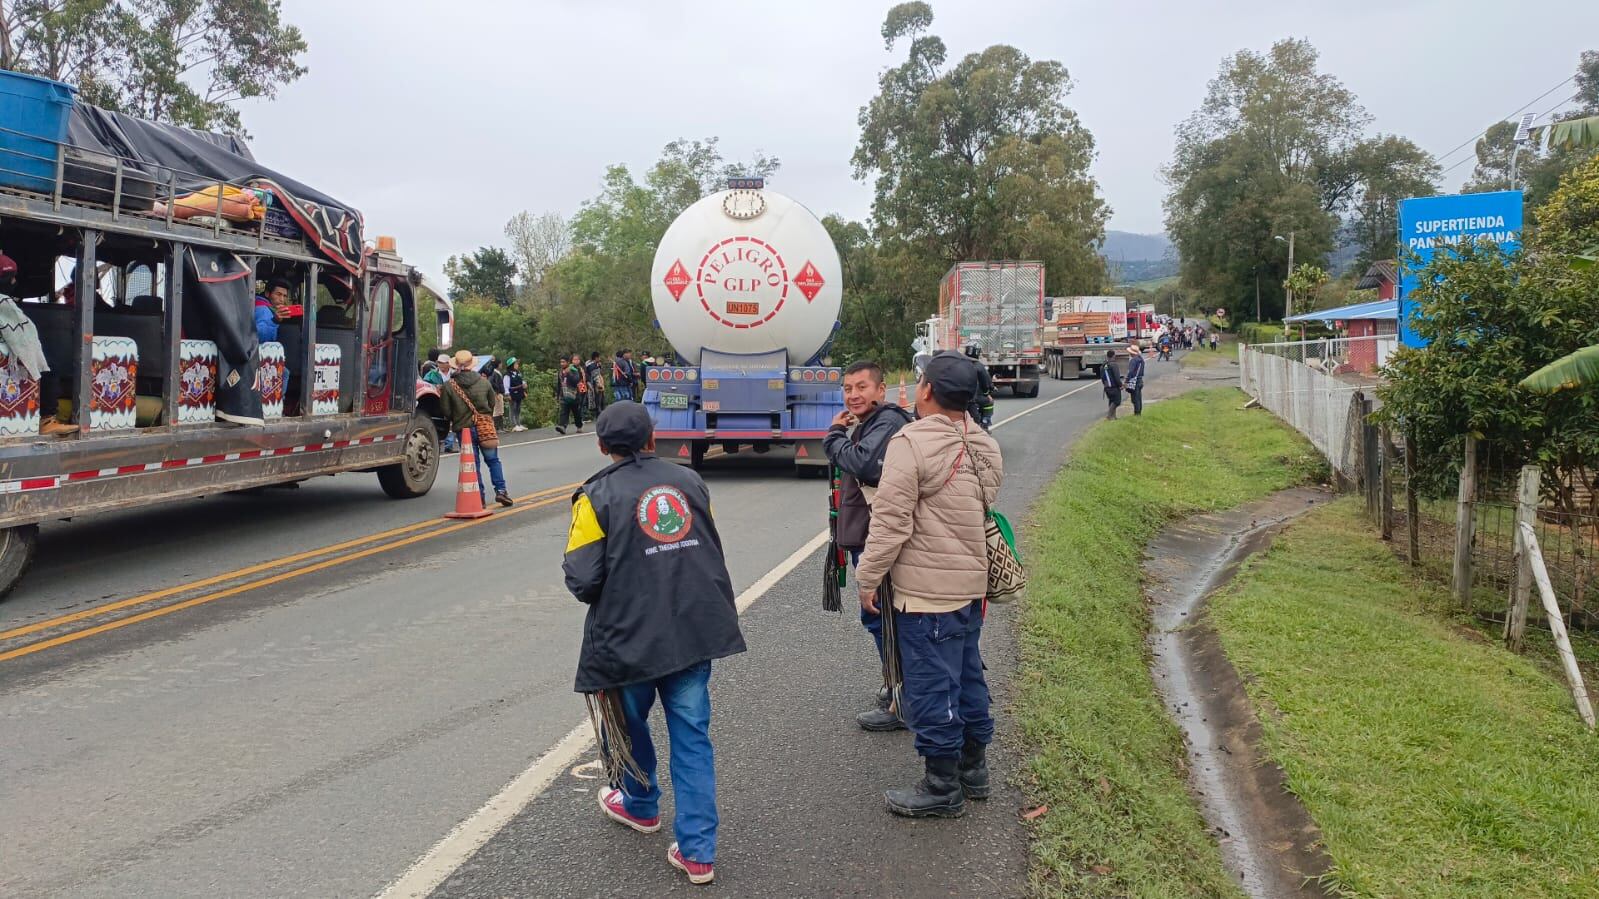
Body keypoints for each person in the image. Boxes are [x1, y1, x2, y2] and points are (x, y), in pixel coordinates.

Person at [564, 402, 745, 886]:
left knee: (626, 724)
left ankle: (641, 804)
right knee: (692, 737)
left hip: (630, 640)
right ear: (652, 438)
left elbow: (582, 580)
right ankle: (698, 854)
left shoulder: (595, 495)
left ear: (602, 446)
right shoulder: (690, 483)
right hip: (692, 631)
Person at [855, 352, 1003, 819]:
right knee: (967, 676)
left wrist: (867, 577)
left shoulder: (911, 442)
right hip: (970, 586)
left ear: (926, 391)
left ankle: (942, 786)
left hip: (924, 593)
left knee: (930, 685)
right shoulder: (983, 443)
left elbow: (891, 523)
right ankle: (973, 769)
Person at [822, 360, 915, 732]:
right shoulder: (869, 423)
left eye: (861, 387)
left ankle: (903, 702)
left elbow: (864, 464)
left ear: (881, 390)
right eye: (847, 389)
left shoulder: (890, 422)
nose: (853, 394)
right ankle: (898, 687)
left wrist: (833, 435)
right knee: (883, 619)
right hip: (868, 535)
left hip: (880, 539)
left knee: (884, 619)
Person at [439, 349, 512, 507]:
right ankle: (501, 491)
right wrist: (484, 415)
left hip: (463, 429)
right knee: (493, 460)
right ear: (472, 364)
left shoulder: (449, 386)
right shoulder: (483, 381)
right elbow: (492, 402)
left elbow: (445, 410)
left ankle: (479, 498)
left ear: (455, 365)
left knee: (473, 464)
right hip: (484, 426)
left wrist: (456, 418)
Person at [962, 345, 994, 430]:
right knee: (989, 402)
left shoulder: (959, 364)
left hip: (959, 397)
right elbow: (986, 383)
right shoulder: (979, 367)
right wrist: (987, 392)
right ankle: (985, 422)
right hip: (973, 398)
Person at [556, 354, 586, 434]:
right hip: (564, 395)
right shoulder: (560, 372)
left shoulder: (574, 370)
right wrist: (558, 395)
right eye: (561, 362)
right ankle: (562, 427)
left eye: (563, 362)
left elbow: (576, 380)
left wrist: (569, 373)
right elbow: (559, 384)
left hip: (574, 396)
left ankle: (579, 426)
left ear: (568, 363)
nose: (562, 364)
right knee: (563, 412)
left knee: (576, 413)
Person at [1124, 342, 1146, 416]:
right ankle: (1139, 411)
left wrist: (1126, 381)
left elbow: (1130, 372)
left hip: (1134, 381)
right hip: (1140, 380)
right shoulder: (1141, 360)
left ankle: (1137, 413)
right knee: (1139, 397)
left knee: (1135, 398)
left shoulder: (1133, 360)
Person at [506, 358, 528, 431]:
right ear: (512, 365)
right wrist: (508, 394)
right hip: (512, 393)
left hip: (519, 392)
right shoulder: (507, 375)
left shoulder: (518, 372)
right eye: (516, 364)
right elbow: (506, 386)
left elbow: (521, 380)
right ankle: (514, 425)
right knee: (512, 409)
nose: (517, 365)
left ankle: (518, 423)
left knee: (518, 408)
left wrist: (524, 387)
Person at [1100, 349, 1123, 420]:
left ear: (1107, 356)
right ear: (1114, 356)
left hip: (1107, 387)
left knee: (1111, 401)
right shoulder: (1114, 365)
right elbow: (1117, 377)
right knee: (1117, 401)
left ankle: (1114, 416)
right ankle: (1109, 416)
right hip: (1114, 387)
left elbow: (1102, 377)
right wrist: (1120, 385)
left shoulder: (1103, 365)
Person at [586, 352, 607, 416]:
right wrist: (599, 384)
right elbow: (595, 376)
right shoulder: (592, 366)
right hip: (596, 384)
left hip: (597, 383)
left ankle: (599, 412)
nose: (600, 359)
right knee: (598, 399)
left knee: (599, 399)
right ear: (596, 358)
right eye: (599, 357)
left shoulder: (595, 365)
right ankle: (599, 413)